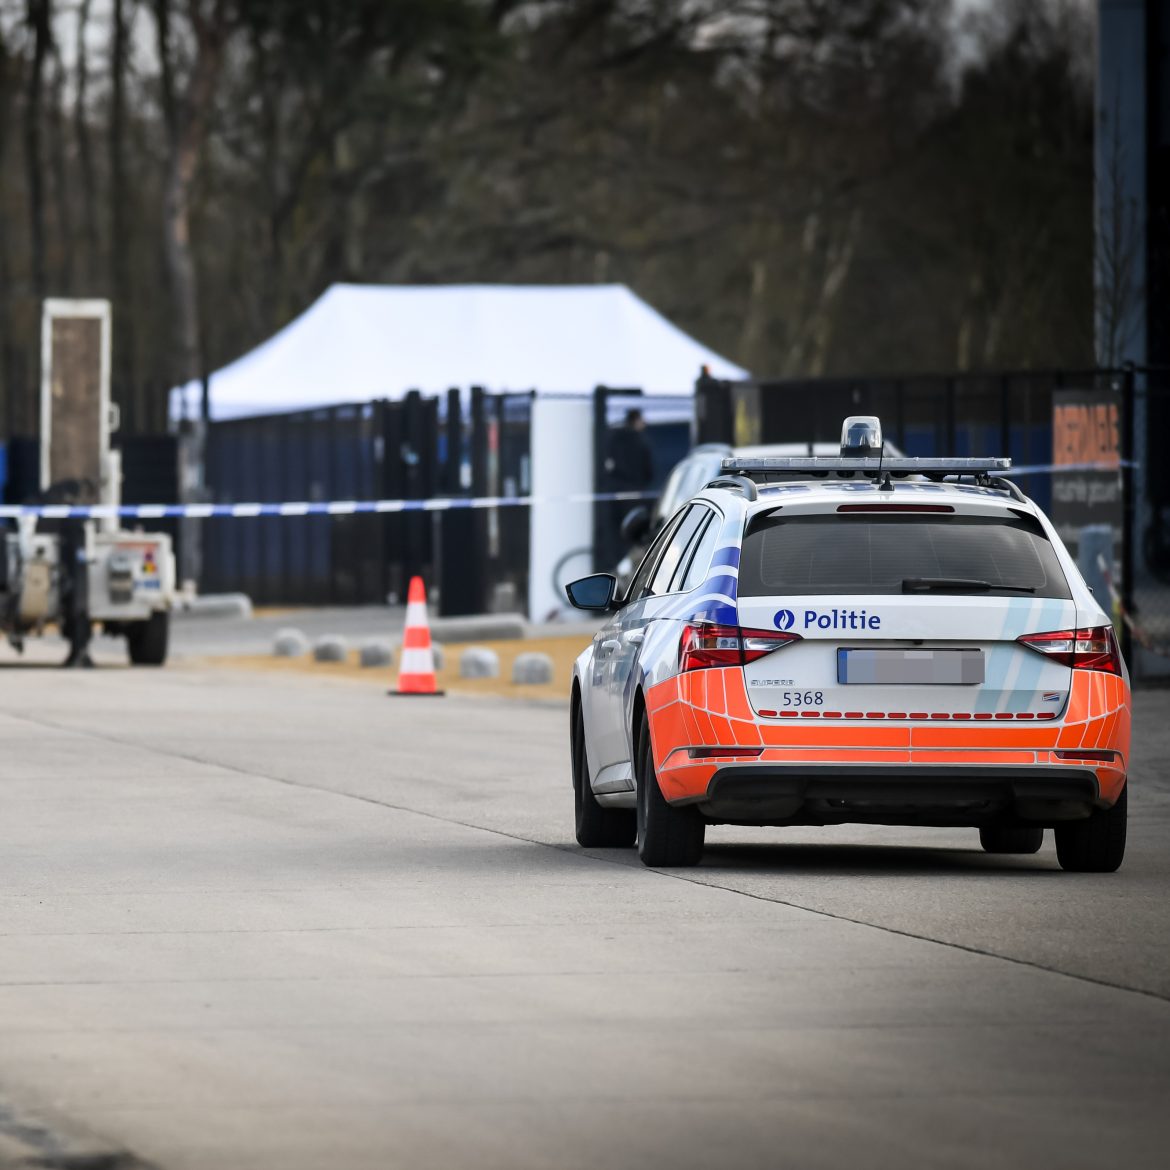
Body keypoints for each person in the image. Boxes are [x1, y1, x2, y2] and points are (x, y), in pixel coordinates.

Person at [604, 408, 654, 567]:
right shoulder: (640, 441)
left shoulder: (613, 438)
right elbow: (649, 470)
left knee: (616, 536)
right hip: (635, 492)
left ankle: (618, 567)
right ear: (636, 420)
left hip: (615, 494)